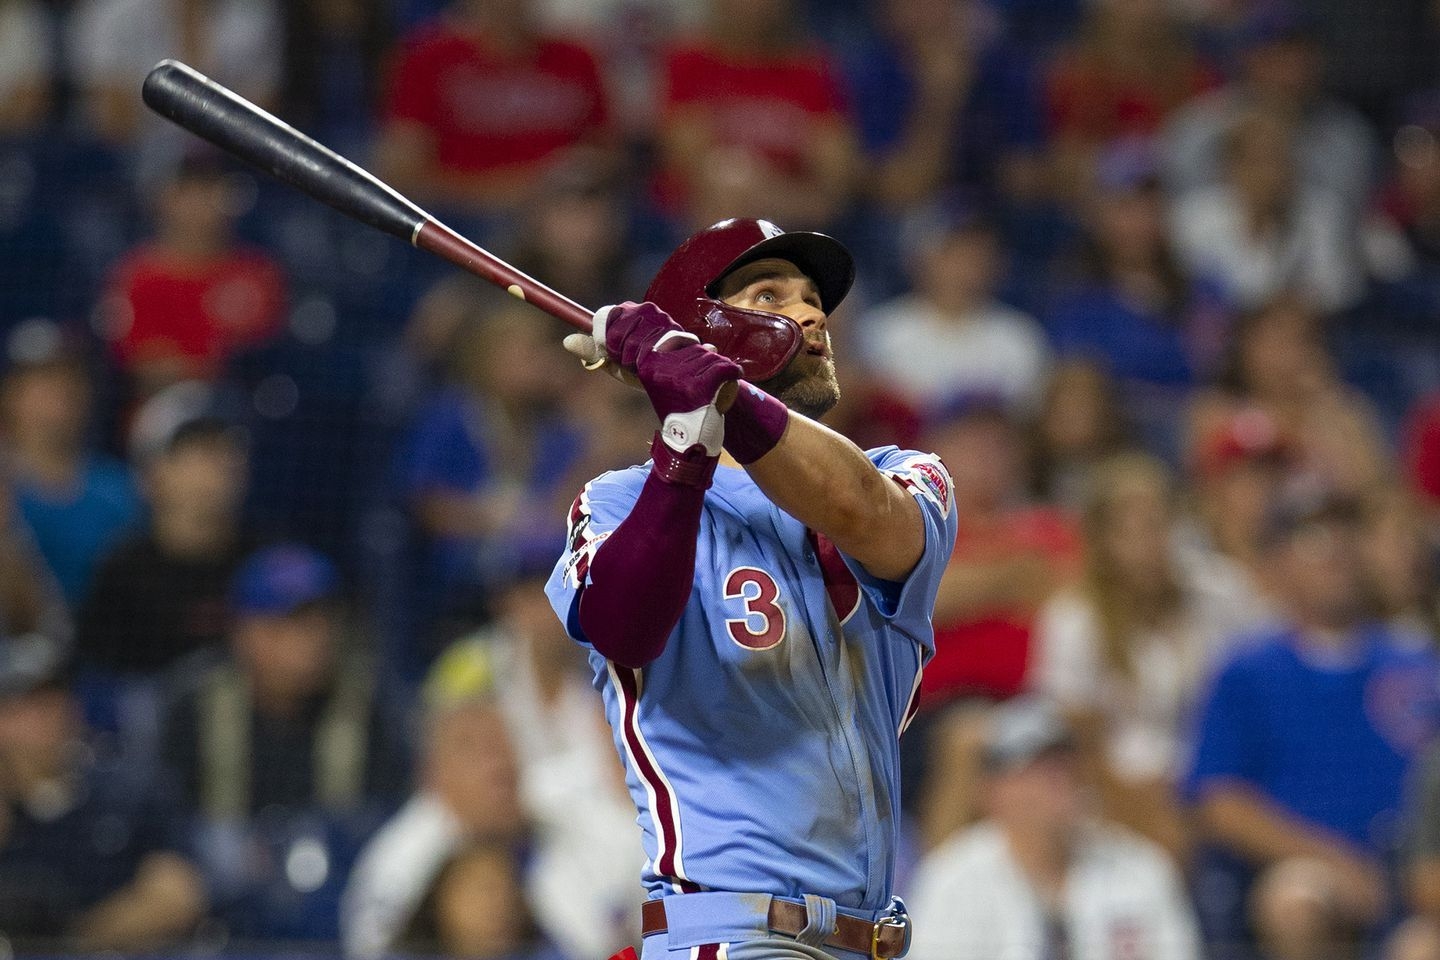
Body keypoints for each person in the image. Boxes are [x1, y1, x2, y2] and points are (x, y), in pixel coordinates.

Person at [549, 217, 958, 959]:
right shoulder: (615, 503)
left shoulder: (904, 473)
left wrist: (722, 396)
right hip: (728, 933)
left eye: (813, 300)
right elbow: (624, 628)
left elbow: (864, 513)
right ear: (693, 330)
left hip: (870, 940)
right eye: (769, 296)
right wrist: (683, 446)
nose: (808, 315)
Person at [1185, 483, 1440, 960]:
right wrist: (1336, 863)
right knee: (1294, 901)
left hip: (1420, 873)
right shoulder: (1247, 670)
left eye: (1348, 534)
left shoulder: (1416, 660)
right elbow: (1218, 803)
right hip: (1313, 873)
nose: (1337, 553)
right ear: (1277, 565)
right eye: (1314, 539)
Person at [161, 544, 409, 943]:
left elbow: (385, 822)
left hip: (335, 904)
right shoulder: (194, 705)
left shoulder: (369, 707)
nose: (316, 637)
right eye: (292, 622)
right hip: (218, 905)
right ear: (245, 632)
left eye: (322, 620)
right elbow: (169, 818)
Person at [905, 695, 1203, 960]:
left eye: (1064, 765)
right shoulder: (953, 881)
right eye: (1037, 768)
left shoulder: (1140, 870)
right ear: (993, 790)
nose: (1059, 779)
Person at [0, 633, 206, 952]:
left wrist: (68, 941)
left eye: (54, 699)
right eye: (22, 706)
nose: (45, 718)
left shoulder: (130, 789)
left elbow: (177, 897)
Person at [99, 156, 288, 400]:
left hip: (242, 412)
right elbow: (142, 367)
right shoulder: (136, 276)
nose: (199, 204)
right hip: (160, 414)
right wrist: (216, 366)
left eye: (208, 190)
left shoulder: (257, 273)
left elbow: (267, 363)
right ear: (163, 198)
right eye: (188, 191)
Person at [0, 320, 140, 609]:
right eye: (42, 379)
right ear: (10, 394)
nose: (60, 391)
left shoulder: (121, 488)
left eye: (70, 377)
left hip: (104, 642)